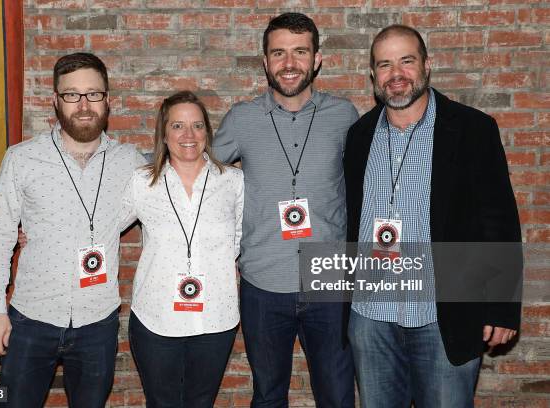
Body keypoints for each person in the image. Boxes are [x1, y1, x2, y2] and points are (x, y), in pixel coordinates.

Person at [343, 25, 522, 407]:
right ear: (373, 75)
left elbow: (500, 221)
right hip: (371, 318)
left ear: (427, 65)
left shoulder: (473, 130)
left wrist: (503, 306)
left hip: (444, 317)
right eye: (384, 64)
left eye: (406, 61)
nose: (396, 74)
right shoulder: (358, 136)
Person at [0, 52, 145, 408]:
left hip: (97, 323)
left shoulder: (132, 162)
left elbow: (173, 201)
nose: (83, 105)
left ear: (108, 100)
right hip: (30, 319)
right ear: (55, 101)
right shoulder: (21, 158)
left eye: (93, 94)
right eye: (72, 94)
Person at [213, 12, 359, 407]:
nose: (289, 63)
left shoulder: (345, 116)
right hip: (263, 280)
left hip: (328, 278)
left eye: (299, 52)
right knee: (268, 393)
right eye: (279, 53)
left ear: (317, 59)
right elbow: (192, 167)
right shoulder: (242, 119)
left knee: (337, 392)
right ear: (265, 61)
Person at [120, 90, 244, 408]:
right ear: (164, 133)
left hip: (216, 318)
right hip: (156, 317)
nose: (188, 135)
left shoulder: (233, 181)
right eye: (177, 126)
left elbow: (239, 240)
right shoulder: (141, 182)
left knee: (201, 403)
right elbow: (103, 228)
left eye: (197, 125)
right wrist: (34, 233)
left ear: (207, 132)